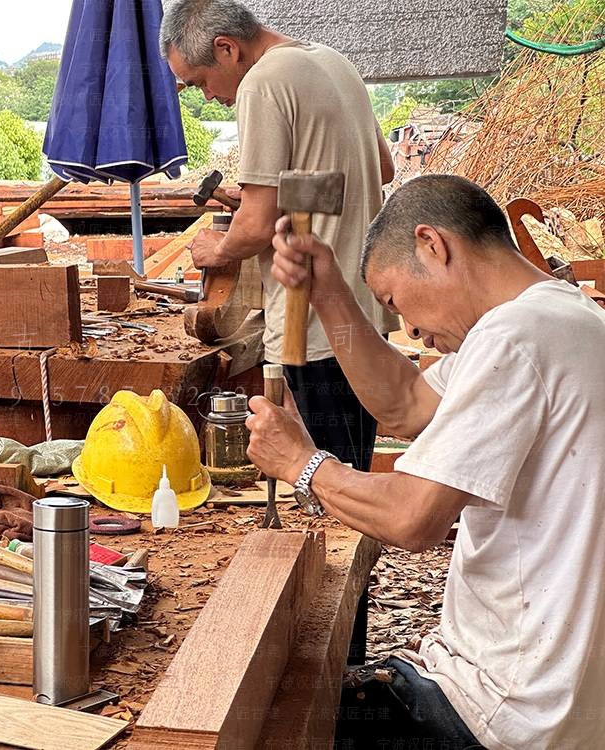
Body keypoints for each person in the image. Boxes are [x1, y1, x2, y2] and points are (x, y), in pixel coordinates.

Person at [247, 174, 605, 749]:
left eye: (394, 301)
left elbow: (414, 518)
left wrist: (303, 465)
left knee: (278, 729)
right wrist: (328, 295)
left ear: (433, 246)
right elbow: (407, 404)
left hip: (504, 715)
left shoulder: (517, 337)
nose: (409, 327)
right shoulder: (561, 317)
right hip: (558, 704)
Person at [159, 0, 398, 474]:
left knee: (327, 484)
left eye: (200, 81)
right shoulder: (335, 63)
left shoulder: (262, 84)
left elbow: (256, 228)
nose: (206, 96)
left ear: (226, 49)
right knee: (353, 471)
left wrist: (217, 248)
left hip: (309, 322)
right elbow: (377, 170)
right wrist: (269, 196)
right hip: (363, 314)